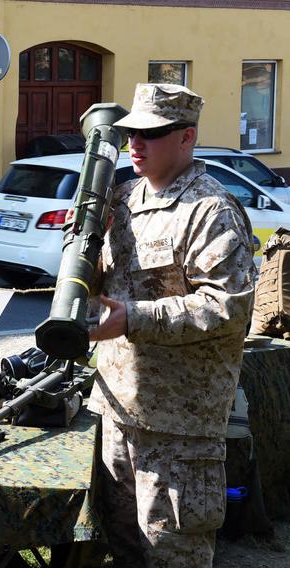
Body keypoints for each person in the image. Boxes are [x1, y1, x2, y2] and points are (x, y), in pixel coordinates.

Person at [88, 83, 256, 567]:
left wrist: (133, 318)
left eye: (151, 133)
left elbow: (227, 308)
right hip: (118, 411)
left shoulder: (211, 210)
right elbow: (102, 278)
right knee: (120, 550)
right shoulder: (122, 200)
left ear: (187, 137)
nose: (135, 144)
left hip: (179, 429)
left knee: (172, 555)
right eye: (130, 134)